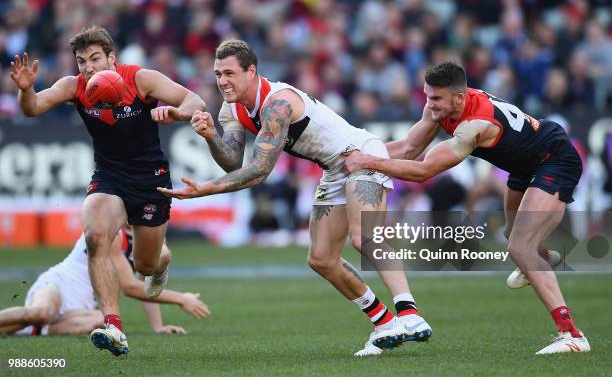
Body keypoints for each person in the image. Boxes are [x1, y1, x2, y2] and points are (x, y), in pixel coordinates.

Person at [158, 39, 432, 357]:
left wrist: (206, 189)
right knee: (321, 259)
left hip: (361, 156)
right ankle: (385, 324)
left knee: (365, 238)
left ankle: (410, 315)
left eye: (229, 73)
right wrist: (210, 137)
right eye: (218, 74)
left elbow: (259, 170)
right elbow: (232, 160)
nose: (222, 81)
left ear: (252, 71)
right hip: (333, 168)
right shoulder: (230, 107)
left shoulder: (278, 103)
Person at [344, 61, 590, 355]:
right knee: (516, 237)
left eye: (435, 98)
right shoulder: (443, 105)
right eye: (426, 96)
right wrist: (356, 152)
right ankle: (543, 259)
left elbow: (423, 171)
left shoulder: (475, 125)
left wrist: (367, 162)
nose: (429, 104)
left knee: (519, 247)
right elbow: (410, 147)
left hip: (554, 158)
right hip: (524, 165)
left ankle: (572, 334)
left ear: (459, 98)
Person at [9, 25, 207, 355]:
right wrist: (26, 90)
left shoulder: (141, 79)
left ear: (112, 58)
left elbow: (195, 100)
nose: (88, 67)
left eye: (95, 59)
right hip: (109, 176)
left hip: (150, 179)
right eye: (81, 61)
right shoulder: (74, 86)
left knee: (145, 266)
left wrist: (176, 112)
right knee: (95, 235)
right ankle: (113, 327)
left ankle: (160, 263)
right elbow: (32, 108)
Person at [0, 227, 210, 339]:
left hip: (83, 306)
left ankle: (32, 330)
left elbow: (147, 285)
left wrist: (158, 327)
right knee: (42, 313)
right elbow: (129, 286)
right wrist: (181, 298)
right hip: (59, 284)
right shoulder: (112, 230)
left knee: (103, 324)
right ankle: (37, 325)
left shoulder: (152, 236)